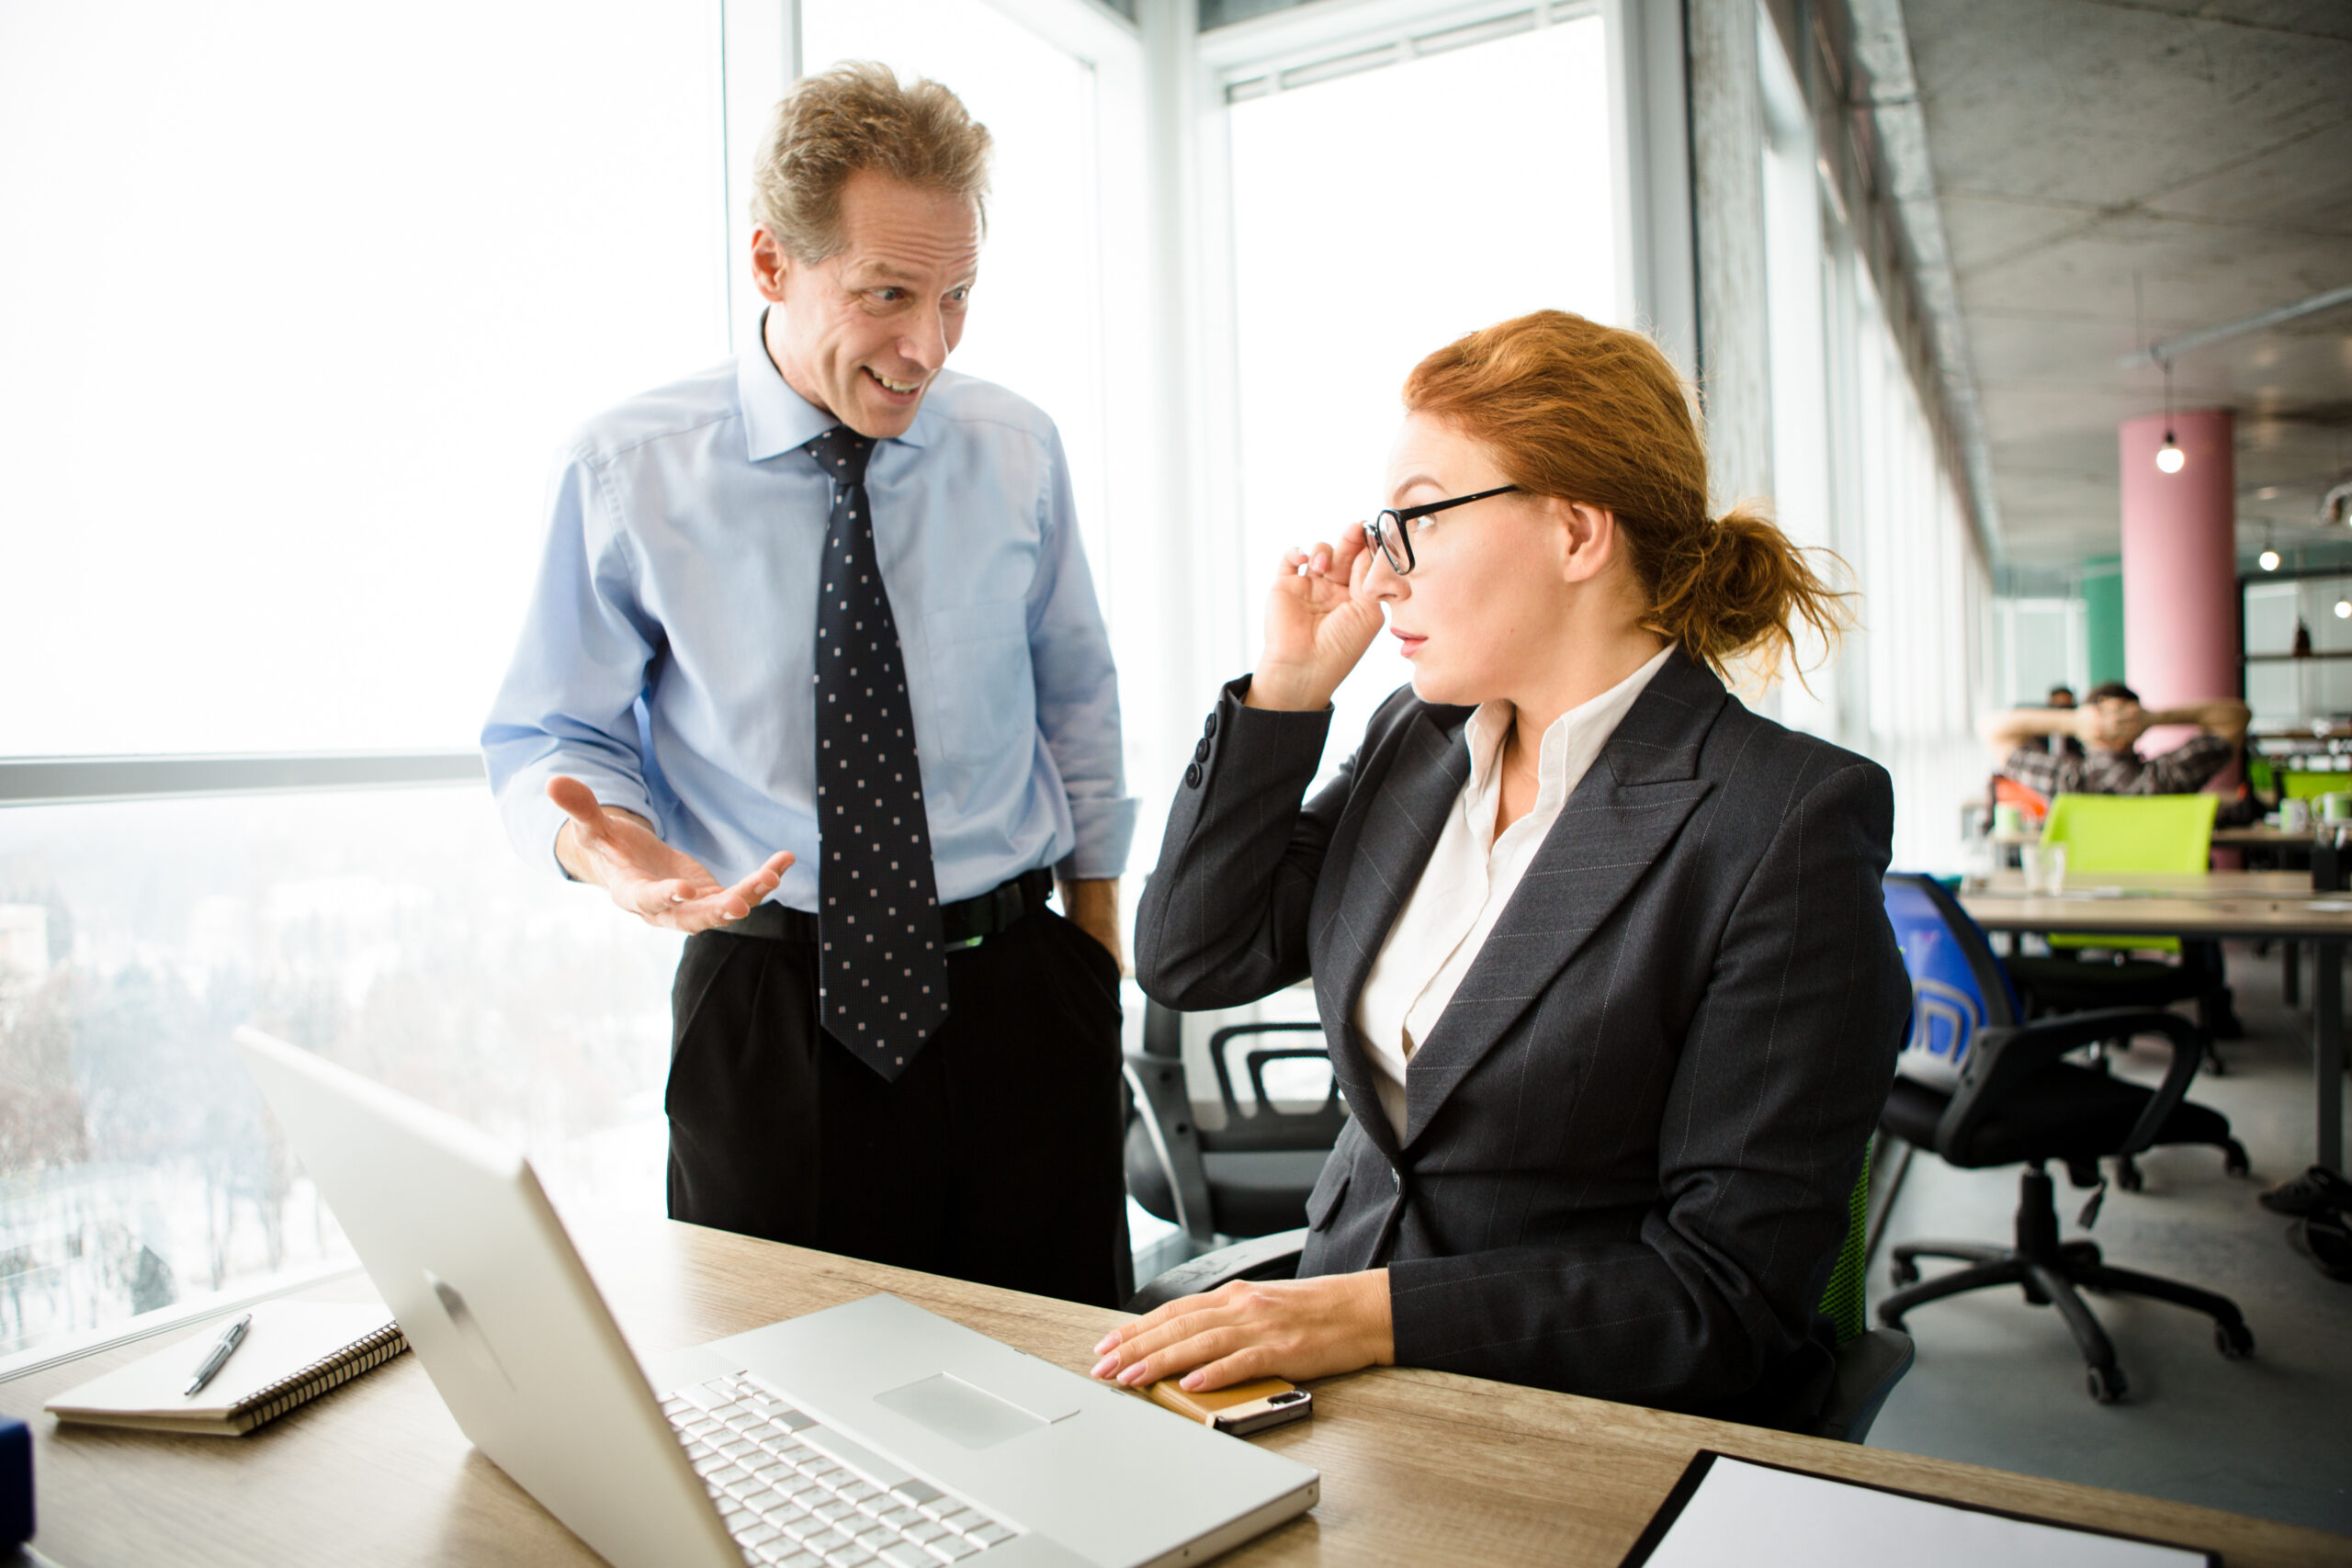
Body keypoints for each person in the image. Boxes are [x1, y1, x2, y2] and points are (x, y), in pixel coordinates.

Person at [1091, 310, 1912, 1423]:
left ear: (1577, 533)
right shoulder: (1417, 743)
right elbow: (1192, 955)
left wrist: (1356, 1316)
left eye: (1418, 517)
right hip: (1342, 1380)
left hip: (1575, 1414)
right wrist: (1288, 689)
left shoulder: (1785, 823)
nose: (1379, 575)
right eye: (1383, 528)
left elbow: (1726, 1295)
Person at [482, 64, 1136, 1307]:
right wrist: (609, 848)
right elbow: (548, 728)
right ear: (772, 264)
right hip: (771, 1006)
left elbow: (1079, 699)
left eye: (956, 298)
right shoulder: (631, 469)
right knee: (785, 1405)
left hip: (1020, 994)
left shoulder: (1017, 447)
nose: (927, 346)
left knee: (1072, 1398)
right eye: (887, 294)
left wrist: (1098, 951)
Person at [1983, 682, 2247, 797]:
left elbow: (1991, 730)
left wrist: (2074, 721)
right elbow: (2237, 717)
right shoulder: (2172, 776)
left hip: (2079, 904)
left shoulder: (2063, 780)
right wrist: (2152, 719)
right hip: (2166, 904)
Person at [2042, 683, 2086, 758]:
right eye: (2058, 705)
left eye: (2067, 706)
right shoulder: (2039, 729)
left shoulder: (2081, 731)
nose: (2062, 710)